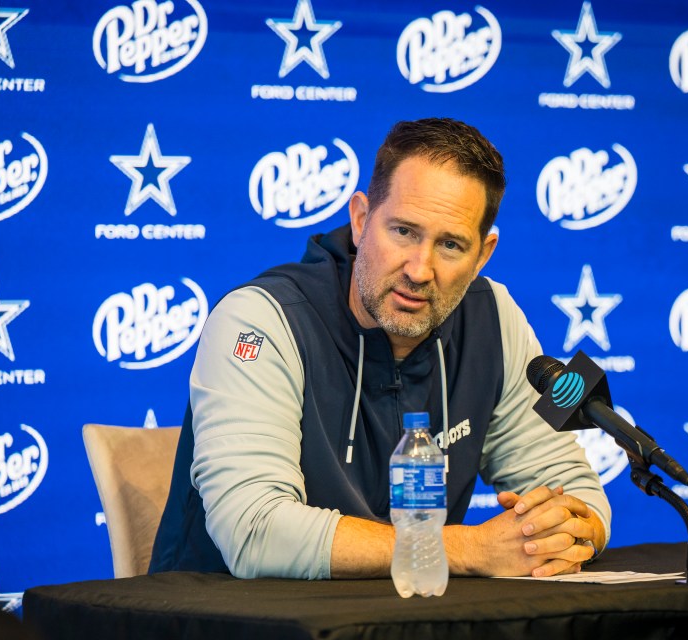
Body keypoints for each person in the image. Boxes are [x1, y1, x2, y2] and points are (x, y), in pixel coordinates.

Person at [150, 117, 611, 580]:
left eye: (450, 245)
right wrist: (467, 548)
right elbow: (254, 532)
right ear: (360, 219)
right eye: (404, 232)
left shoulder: (493, 319)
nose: (419, 269)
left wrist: (561, 530)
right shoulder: (261, 320)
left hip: (406, 619)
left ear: (483, 255)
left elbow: (575, 493)